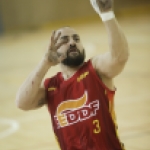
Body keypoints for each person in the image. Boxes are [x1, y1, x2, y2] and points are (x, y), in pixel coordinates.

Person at [16, 0, 129, 149]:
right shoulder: (51, 87)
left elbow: (119, 58)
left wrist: (107, 14)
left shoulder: (95, 69)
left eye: (76, 39)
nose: (72, 43)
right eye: (64, 40)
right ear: (52, 49)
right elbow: (22, 103)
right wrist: (45, 62)